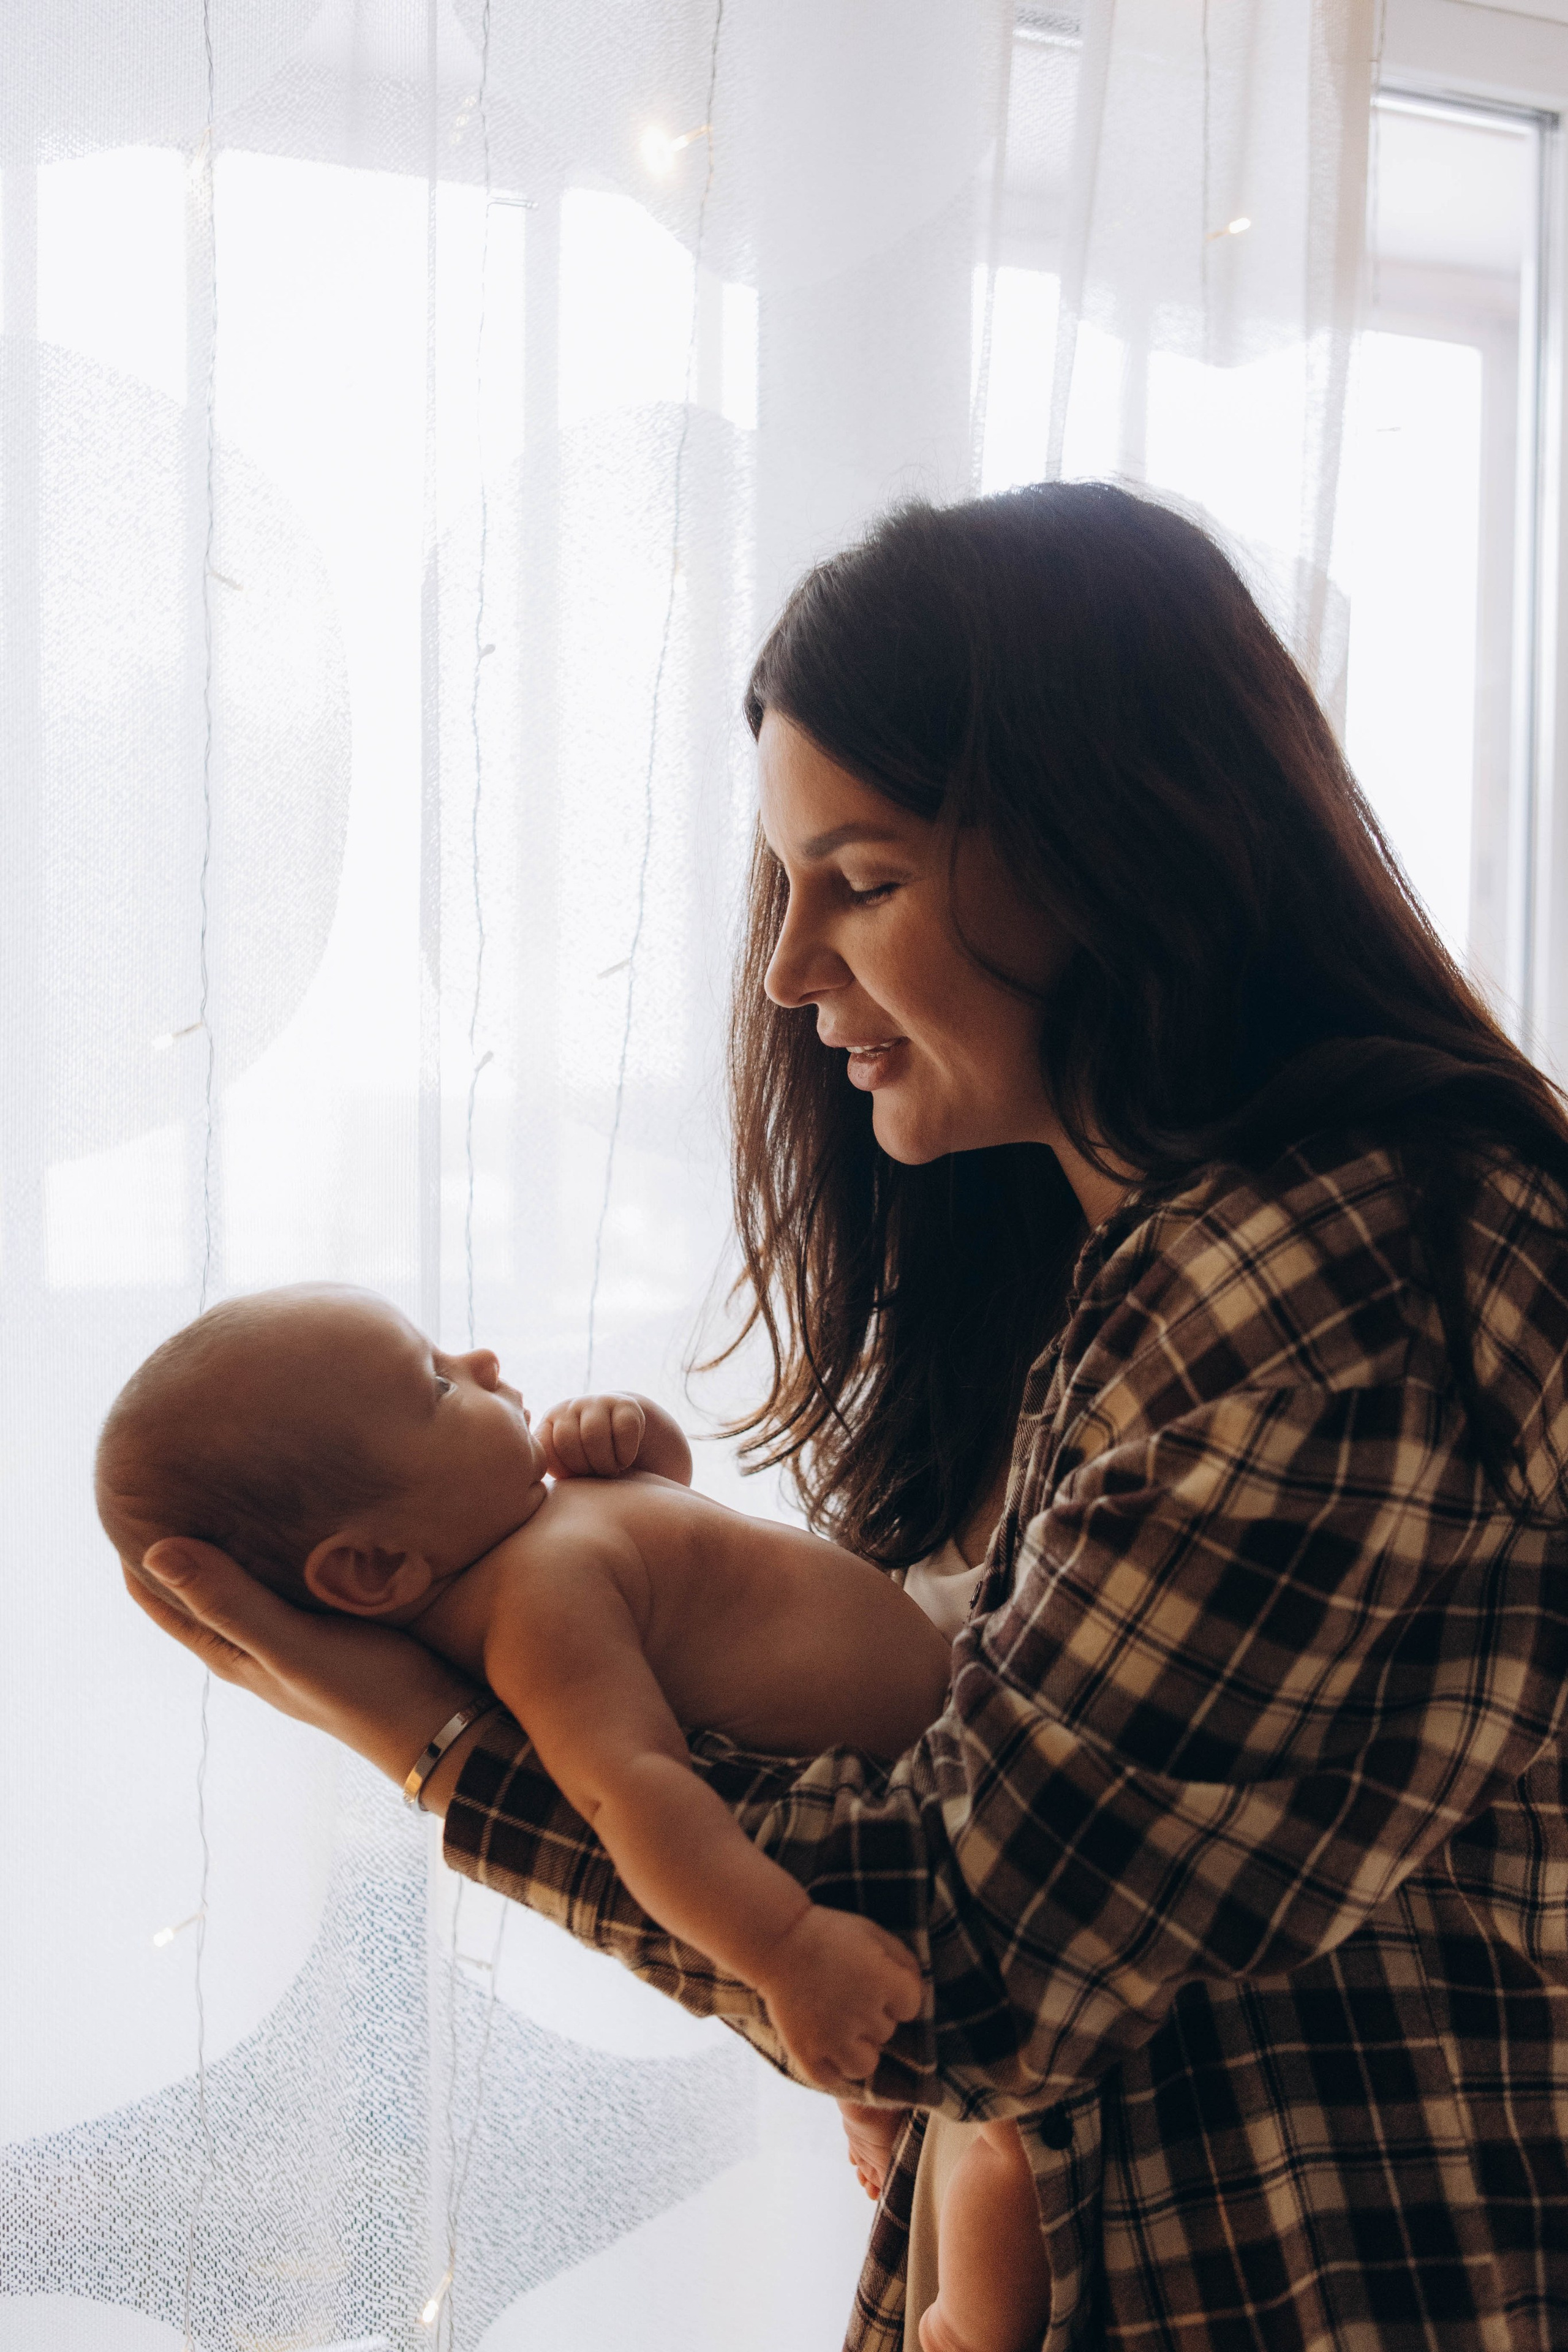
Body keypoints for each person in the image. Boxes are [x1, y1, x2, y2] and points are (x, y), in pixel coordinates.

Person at [129, 483, 1568, 2352]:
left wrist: (442, 1747)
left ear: (1120, 853)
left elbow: (974, 1963)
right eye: (785, 886)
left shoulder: (1329, 1277)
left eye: (864, 882)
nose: (790, 969)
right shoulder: (1122, 1270)